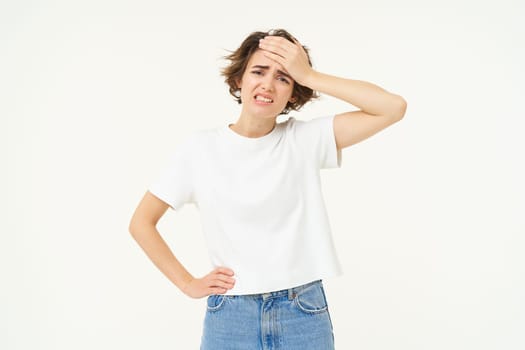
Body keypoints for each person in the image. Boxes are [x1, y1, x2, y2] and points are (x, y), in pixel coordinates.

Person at [128, 28, 406, 349]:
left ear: (294, 93)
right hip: (231, 315)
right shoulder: (199, 149)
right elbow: (141, 223)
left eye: (284, 78)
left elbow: (392, 107)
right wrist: (188, 283)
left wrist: (309, 74)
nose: (268, 84)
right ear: (239, 80)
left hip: (302, 310)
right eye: (259, 72)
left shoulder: (304, 139)